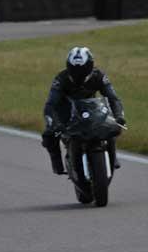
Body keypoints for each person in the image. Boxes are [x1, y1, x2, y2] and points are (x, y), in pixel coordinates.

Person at [42, 46, 125, 175]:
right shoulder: (61, 79)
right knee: (49, 135)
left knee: (111, 125)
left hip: (92, 109)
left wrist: (119, 116)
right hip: (67, 112)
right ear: (68, 66)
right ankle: (57, 164)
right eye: (74, 70)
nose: (79, 74)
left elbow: (113, 98)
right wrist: (54, 124)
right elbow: (50, 105)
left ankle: (113, 157)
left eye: (83, 69)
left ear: (90, 66)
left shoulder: (99, 76)